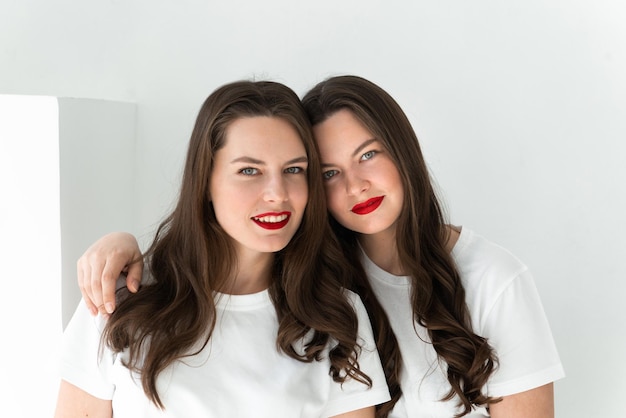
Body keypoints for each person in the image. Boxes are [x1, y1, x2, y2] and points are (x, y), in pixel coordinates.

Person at [76, 75, 565, 417]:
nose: (355, 186)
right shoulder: (324, 277)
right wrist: (124, 246)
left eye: (369, 155)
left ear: (404, 150)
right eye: (328, 172)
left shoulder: (488, 281)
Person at [55, 80, 391, 418]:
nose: (277, 193)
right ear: (206, 183)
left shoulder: (337, 316)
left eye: (293, 170)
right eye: (249, 170)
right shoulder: (118, 298)